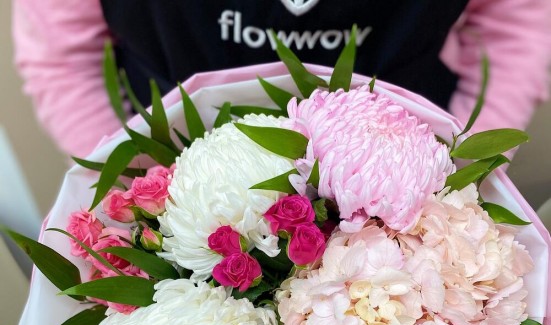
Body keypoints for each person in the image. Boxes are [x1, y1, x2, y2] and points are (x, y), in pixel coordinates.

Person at [13, 0, 551, 159]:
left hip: (407, 167)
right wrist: (135, 193)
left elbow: (514, 28)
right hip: (169, 162)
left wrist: (463, 170)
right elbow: (64, 57)